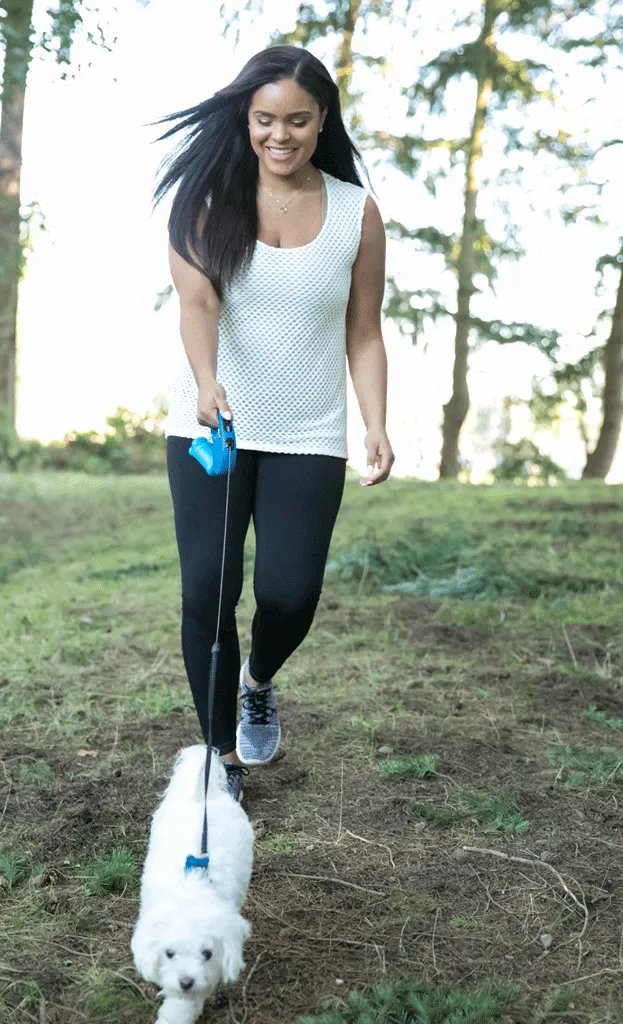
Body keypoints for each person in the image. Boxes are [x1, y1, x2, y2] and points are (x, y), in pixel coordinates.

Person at [151, 46, 394, 803]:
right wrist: (205, 380)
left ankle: (258, 680)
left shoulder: (357, 212)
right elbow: (197, 305)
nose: (279, 135)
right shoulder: (205, 199)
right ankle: (219, 751)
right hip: (212, 424)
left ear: (322, 121)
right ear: (245, 119)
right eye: (264, 120)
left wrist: (376, 423)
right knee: (208, 593)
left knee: (290, 595)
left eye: (296, 120)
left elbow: (365, 330)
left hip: (308, 432)